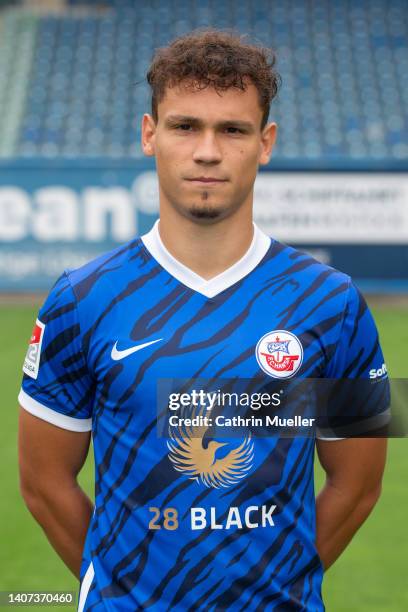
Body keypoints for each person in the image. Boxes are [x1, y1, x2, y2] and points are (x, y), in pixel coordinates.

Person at [18, 30, 389, 611]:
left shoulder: (333, 302)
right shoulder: (80, 298)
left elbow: (359, 486)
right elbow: (42, 485)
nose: (208, 151)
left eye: (233, 130)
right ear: (150, 135)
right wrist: (118, 588)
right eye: (186, 126)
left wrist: (280, 588)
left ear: (265, 143)